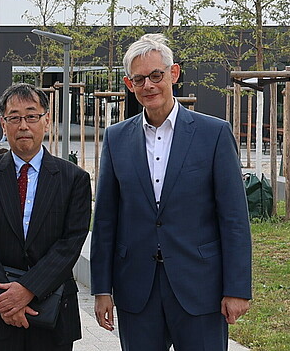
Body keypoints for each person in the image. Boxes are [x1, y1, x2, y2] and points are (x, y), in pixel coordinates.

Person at [90, 34, 252, 351]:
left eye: (156, 75)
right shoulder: (116, 138)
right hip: (137, 290)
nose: (149, 85)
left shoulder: (214, 134)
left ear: (173, 74)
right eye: (139, 79)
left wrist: (237, 288)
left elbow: (233, 217)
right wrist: (101, 289)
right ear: (129, 83)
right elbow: (106, 219)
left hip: (200, 288)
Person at [0, 83, 92, 351]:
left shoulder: (74, 179)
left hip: (54, 307)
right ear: (2, 123)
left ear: (46, 121)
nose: (23, 125)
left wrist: (27, 290)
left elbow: (70, 243)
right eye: (14, 117)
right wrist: (7, 300)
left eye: (32, 116)